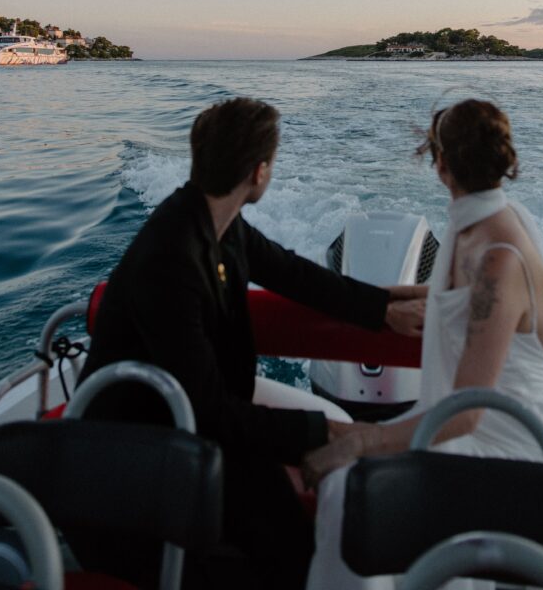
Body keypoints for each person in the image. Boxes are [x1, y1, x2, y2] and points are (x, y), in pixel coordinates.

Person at [76, 97, 426, 589]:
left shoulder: (217, 221)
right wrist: (324, 433)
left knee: (292, 523)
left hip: (188, 423)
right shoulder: (172, 256)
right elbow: (209, 410)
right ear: (260, 173)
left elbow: (294, 274)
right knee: (282, 542)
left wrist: (385, 307)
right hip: (137, 456)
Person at [303, 98, 543, 590]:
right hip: (469, 429)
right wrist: (357, 298)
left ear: (441, 164)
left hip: (515, 446)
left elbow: (465, 413)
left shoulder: (500, 257)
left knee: (347, 490)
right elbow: (450, 297)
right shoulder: (470, 226)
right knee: (347, 493)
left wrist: (361, 440)